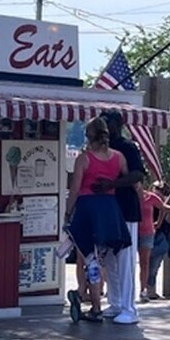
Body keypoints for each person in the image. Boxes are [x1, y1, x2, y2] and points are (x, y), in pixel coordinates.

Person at [64, 117, 133, 323]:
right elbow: (127, 180)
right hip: (110, 210)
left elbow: (75, 189)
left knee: (90, 258)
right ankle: (84, 294)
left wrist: (68, 213)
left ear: (89, 136)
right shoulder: (119, 157)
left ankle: (95, 306)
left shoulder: (84, 159)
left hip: (87, 210)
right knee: (100, 257)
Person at [89, 111, 146, 324]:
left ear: (117, 124)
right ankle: (115, 302)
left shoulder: (127, 147)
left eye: (107, 121)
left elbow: (138, 174)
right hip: (106, 209)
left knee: (125, 259)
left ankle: (129, 307)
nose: (103, 124)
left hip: (126, 209)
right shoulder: (99, 149)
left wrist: (112, 184)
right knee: (110, 259)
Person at [138, 182, 170, 303]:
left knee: (145, 262)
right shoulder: (130, 197)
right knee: (128, 261)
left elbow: (163, 208)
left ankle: (143, 290)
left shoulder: (151, 197)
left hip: (147, 232)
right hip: (132, 232)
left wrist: (159, 221)